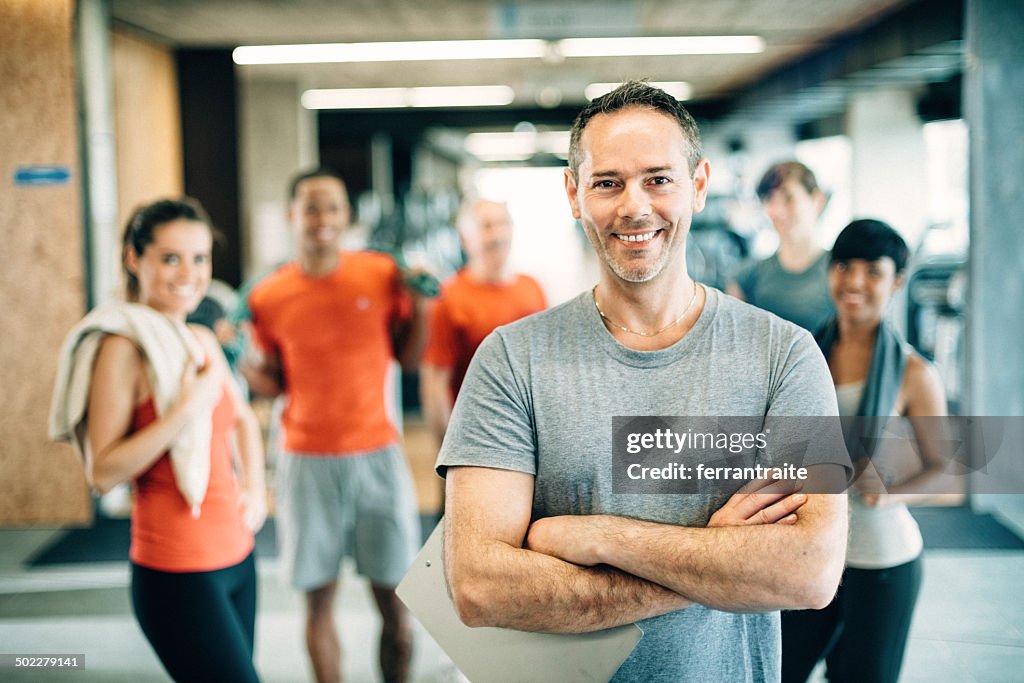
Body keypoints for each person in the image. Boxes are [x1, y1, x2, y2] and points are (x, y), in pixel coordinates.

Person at [438, 81, 851, 682]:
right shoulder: (510, 360)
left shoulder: (785, 356)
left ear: (698, 185)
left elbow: (809, 570)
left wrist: (602, 537)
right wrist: (714, 562)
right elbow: (479, 587)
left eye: (658, 179)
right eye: (608, 182)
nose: (634, 206)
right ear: (574, 194)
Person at [49, 198, 267, 682]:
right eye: (171, 258)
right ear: (134, 258)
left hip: (237, 555)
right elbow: (103, 472)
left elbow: (244, 422)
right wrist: (187, 408)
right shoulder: (122, 347)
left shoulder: (200, 339)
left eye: (200, 258)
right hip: (178, 571)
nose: (188, 273)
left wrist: (255, 490)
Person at [241, 168, 427, 683]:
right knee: (317, 603)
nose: (322, 218)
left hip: (378, 454)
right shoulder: (268, 295)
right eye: (311, 207)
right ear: (291, 216)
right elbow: (273, 382)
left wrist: (425, 305)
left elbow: (408, 360)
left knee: (398, 606)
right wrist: (241, 360)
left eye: (332, 207)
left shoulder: (381, 274)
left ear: (347, 217)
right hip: (305, 459)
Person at [782, 219, 950, 683]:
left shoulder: (915, 373)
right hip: (808, 554)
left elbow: (949, 474)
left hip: (881, 563)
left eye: (872, 271)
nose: (855, 282)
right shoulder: (801, 356)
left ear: (896, 281)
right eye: (844, 267)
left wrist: (891, 491)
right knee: (779, 671)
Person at [419, 197, 547, 446]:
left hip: (529, 432)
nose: (497, 234)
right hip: (477, 437)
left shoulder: (532, 288)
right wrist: (449, 451)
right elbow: (435, 383)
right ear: (466, 239)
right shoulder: (449, 297)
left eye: (503, 224)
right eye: (486, 226)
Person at [729, 160, 834, 332]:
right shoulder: (749, 277)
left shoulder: (839, 272)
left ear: (817, 200)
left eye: (788, 198)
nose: (777, 211)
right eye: (770, 199)